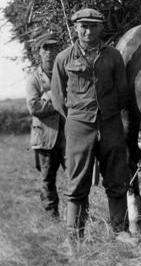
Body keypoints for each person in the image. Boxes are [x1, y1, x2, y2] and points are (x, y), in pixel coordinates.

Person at [51, 8, 130, 249]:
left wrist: (109, 115)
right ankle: (74, 236)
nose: (88, 30)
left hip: (110, 124)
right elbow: (57, 98)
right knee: (77, 181)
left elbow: (123, 92)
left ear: (101, 28)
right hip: (78, 125)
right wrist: (78, 119)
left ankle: (120, 230)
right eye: (83, 26)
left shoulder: (114, 56)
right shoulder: (63, 58)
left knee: (117, 176)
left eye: (93, 26)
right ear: (75, 28)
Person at [26, 33, 65, 219]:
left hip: (67, 137)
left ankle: (80, 214)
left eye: (54, 48)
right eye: (45, 48)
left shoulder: (65, 74)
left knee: (77, 176)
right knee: (47, 179)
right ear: (39, 53)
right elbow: (34, 106)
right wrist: (59, 102)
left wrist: (49, 98)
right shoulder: (34, 79)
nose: (50, 53)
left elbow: (75, 98)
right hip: (45, 137)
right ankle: (52, 217)